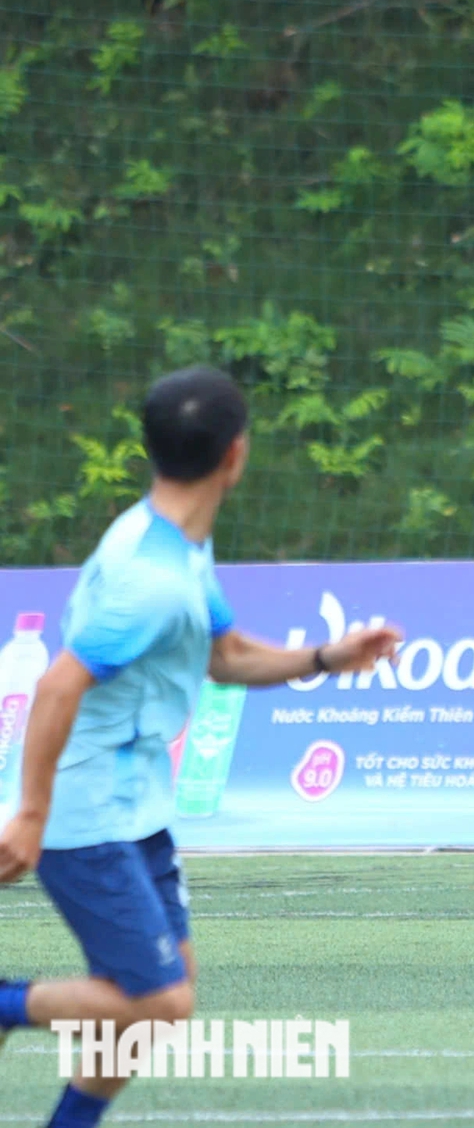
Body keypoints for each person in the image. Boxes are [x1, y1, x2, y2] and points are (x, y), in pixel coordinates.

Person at [0, 366, 401, 1126]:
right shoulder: (150, 579)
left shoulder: (173, 545)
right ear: (236, 456)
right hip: (86, 813)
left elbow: (227, 656)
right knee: (158, 1001)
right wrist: (31, 814)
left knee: (156, 997)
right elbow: (57, 689)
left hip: (134, 802)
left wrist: (327, 657)